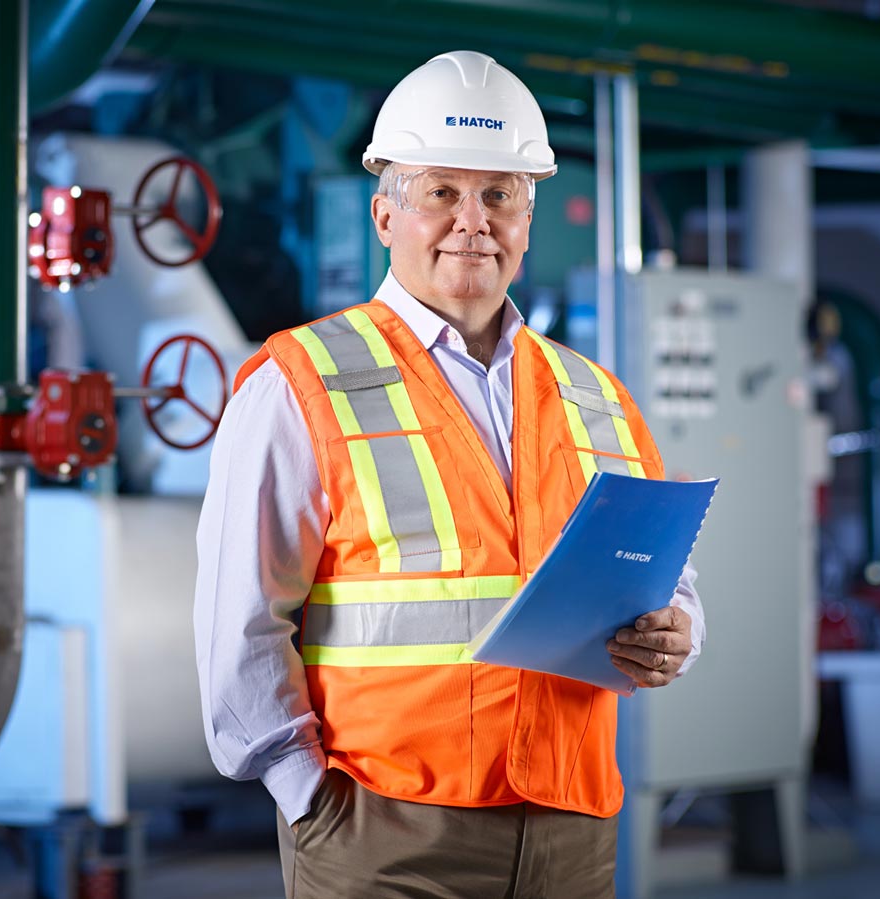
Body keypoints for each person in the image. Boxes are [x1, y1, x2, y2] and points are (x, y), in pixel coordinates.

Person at [194, 50, 704, 899]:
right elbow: (240, 622)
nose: (474, 221)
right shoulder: (300, 381)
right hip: (383, 826)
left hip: (573, 823)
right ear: (385, 216)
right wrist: (310, 799)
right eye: (441, 192)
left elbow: (664, 574)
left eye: (500, 194)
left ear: (528, 218)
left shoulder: (596, 395)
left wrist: (675, 630)